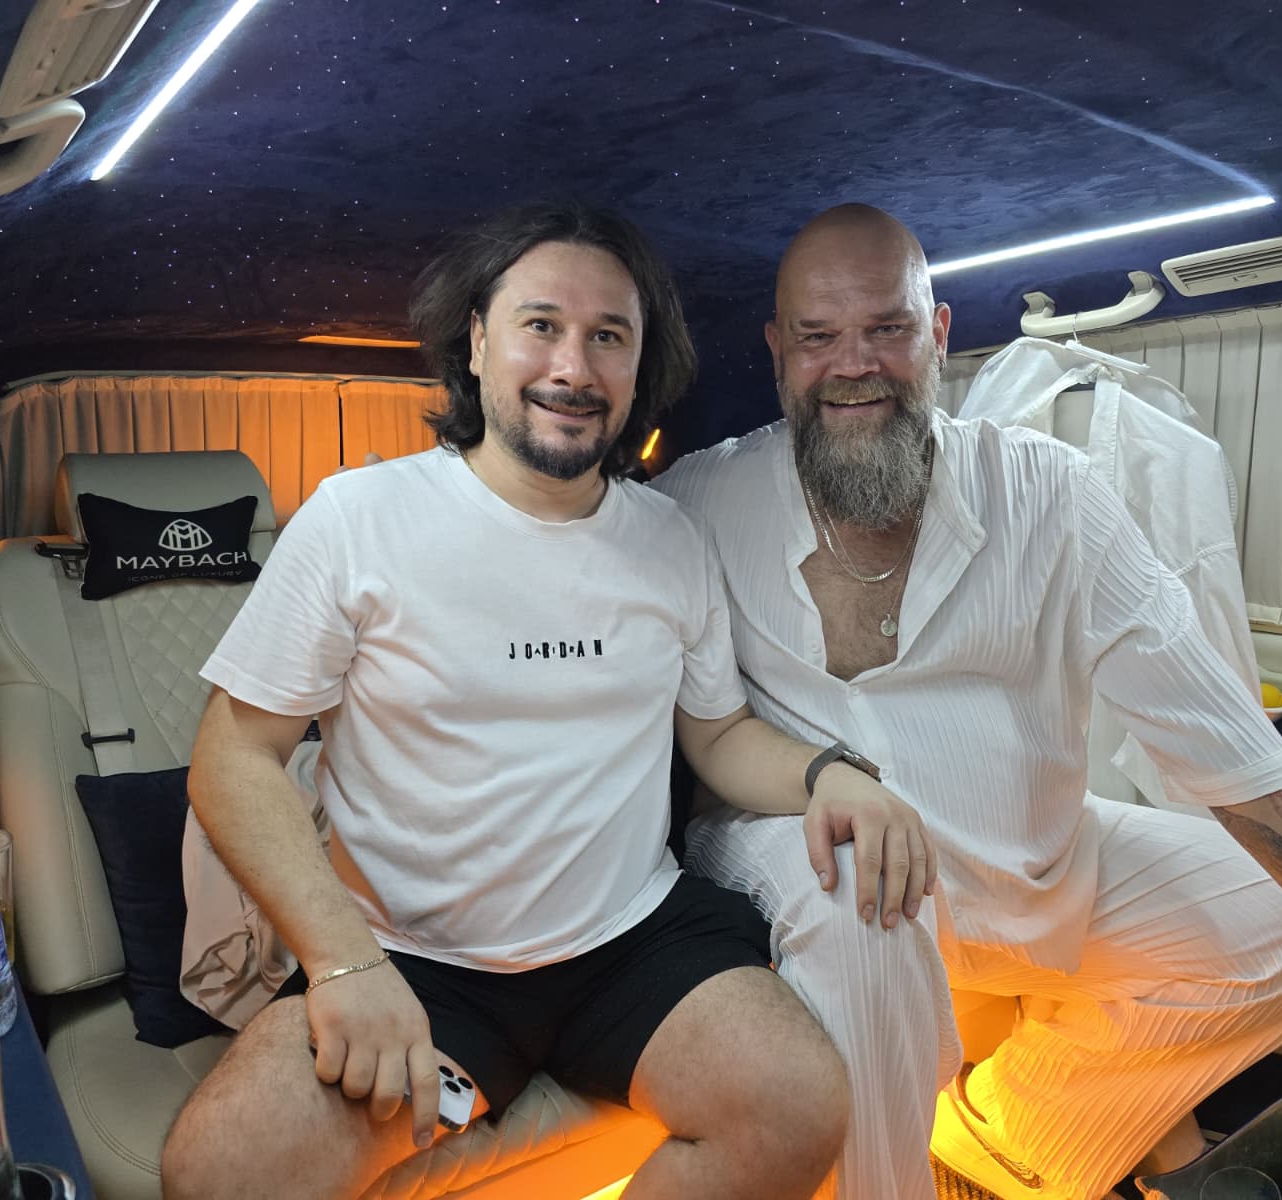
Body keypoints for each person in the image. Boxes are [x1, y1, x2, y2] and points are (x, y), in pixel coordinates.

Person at [652, 203, 1282, 1200]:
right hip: (803, 858)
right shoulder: (700, 502)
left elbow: (1226, 741)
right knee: (855, 896)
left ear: (939, 335)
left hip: (1026, 860)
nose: (853, 365)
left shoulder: (1051, 494)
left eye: (886, 328)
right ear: (777, 350)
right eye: (818, 337)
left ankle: (1004, 1133)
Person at [159, 203, 940, 1200]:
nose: (573, 368)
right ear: (477, 341)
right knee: (217, 1173)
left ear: (640, 365)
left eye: (608, 336)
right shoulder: (358, 520)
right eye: (541, 325)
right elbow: (234, 757)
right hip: (413, 959)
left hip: (631, 945)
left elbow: (719, 736)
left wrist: (835, 777)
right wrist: (345, 965)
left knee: (798, 1104)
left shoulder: (669, 540)